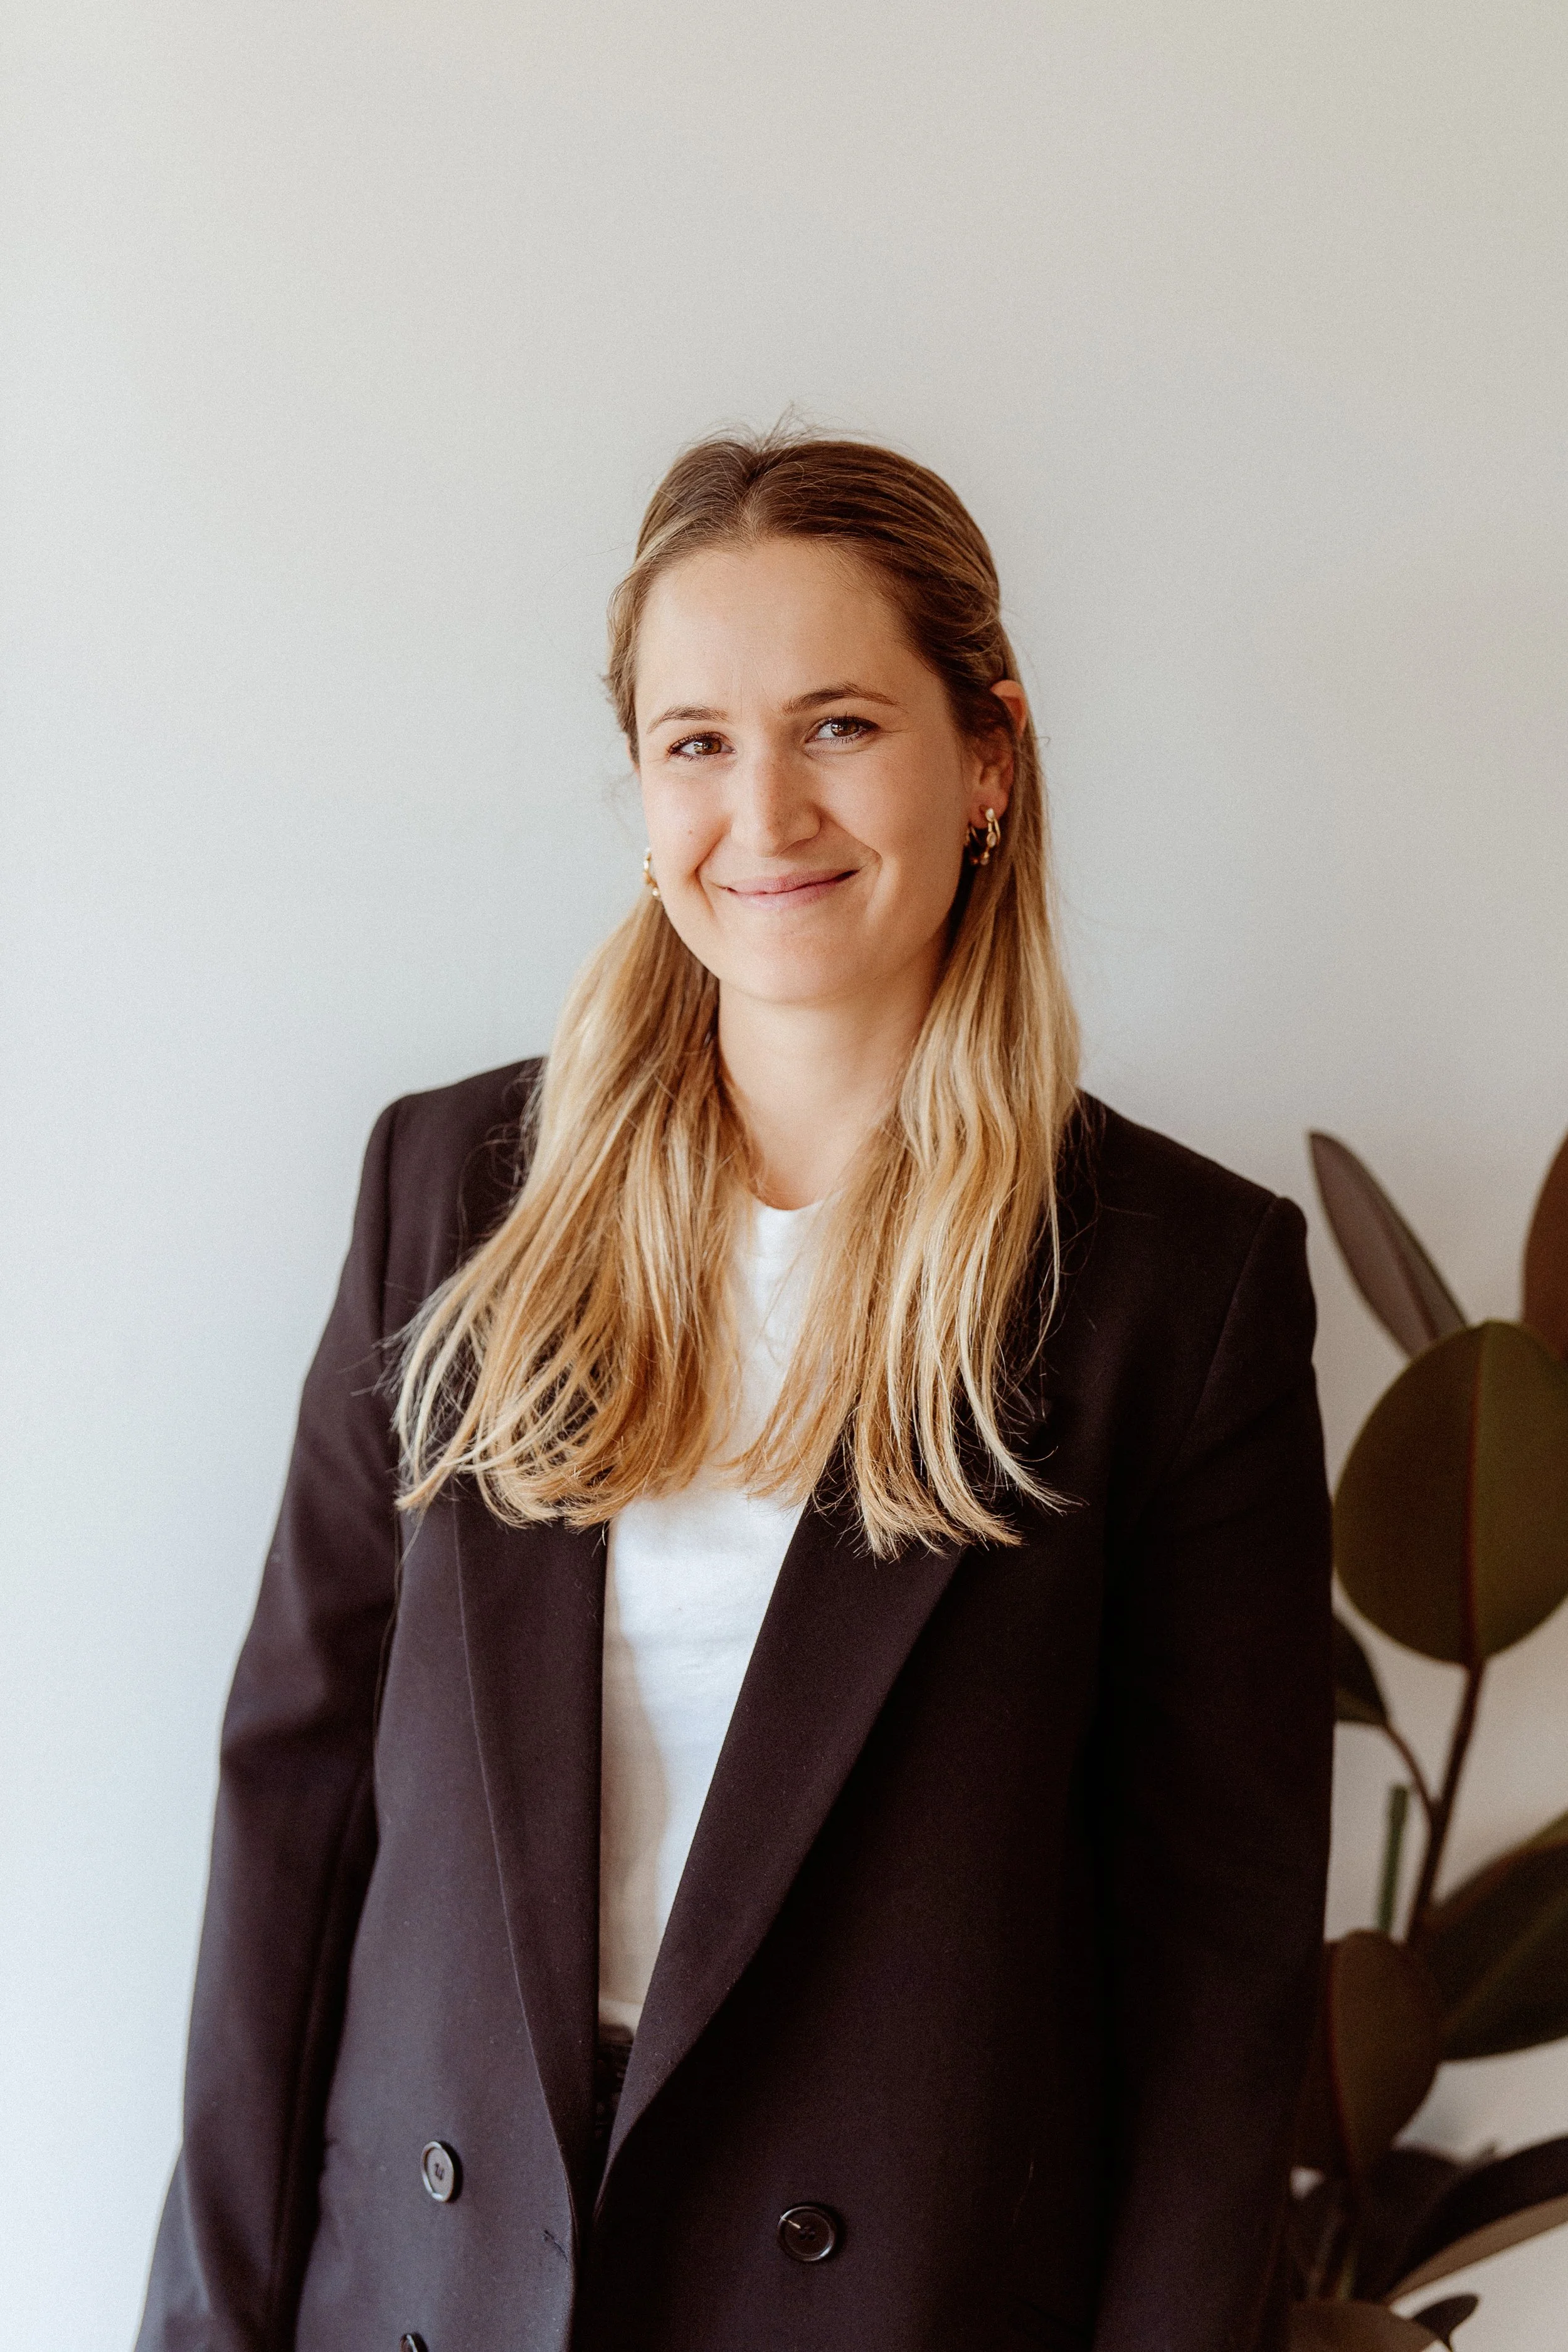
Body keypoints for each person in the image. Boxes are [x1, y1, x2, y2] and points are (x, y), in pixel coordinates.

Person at [136, 428, 1333, 2352]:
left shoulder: (1171, 1289)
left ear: (988, 758)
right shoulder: (452, 1194)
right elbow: (292, 1807)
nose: (760, 808)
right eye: (693, 739)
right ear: (638, 787)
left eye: (839, 723)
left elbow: (1218, 1982)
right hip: (435, 2287)